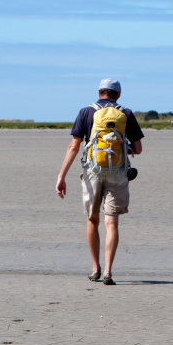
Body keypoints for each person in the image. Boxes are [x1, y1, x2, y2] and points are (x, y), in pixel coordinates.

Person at [56, 78, 144, 285]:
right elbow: (138, 149)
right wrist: (121, 149)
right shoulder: (126, 113)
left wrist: (61, 176)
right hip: (118, 172)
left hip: (92, 172)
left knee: (92, 220)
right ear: (118, 95)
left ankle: (95, 268)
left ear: (99, 92)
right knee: (111, 222)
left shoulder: (86, 112)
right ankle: (109, 272)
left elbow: (73, 147)